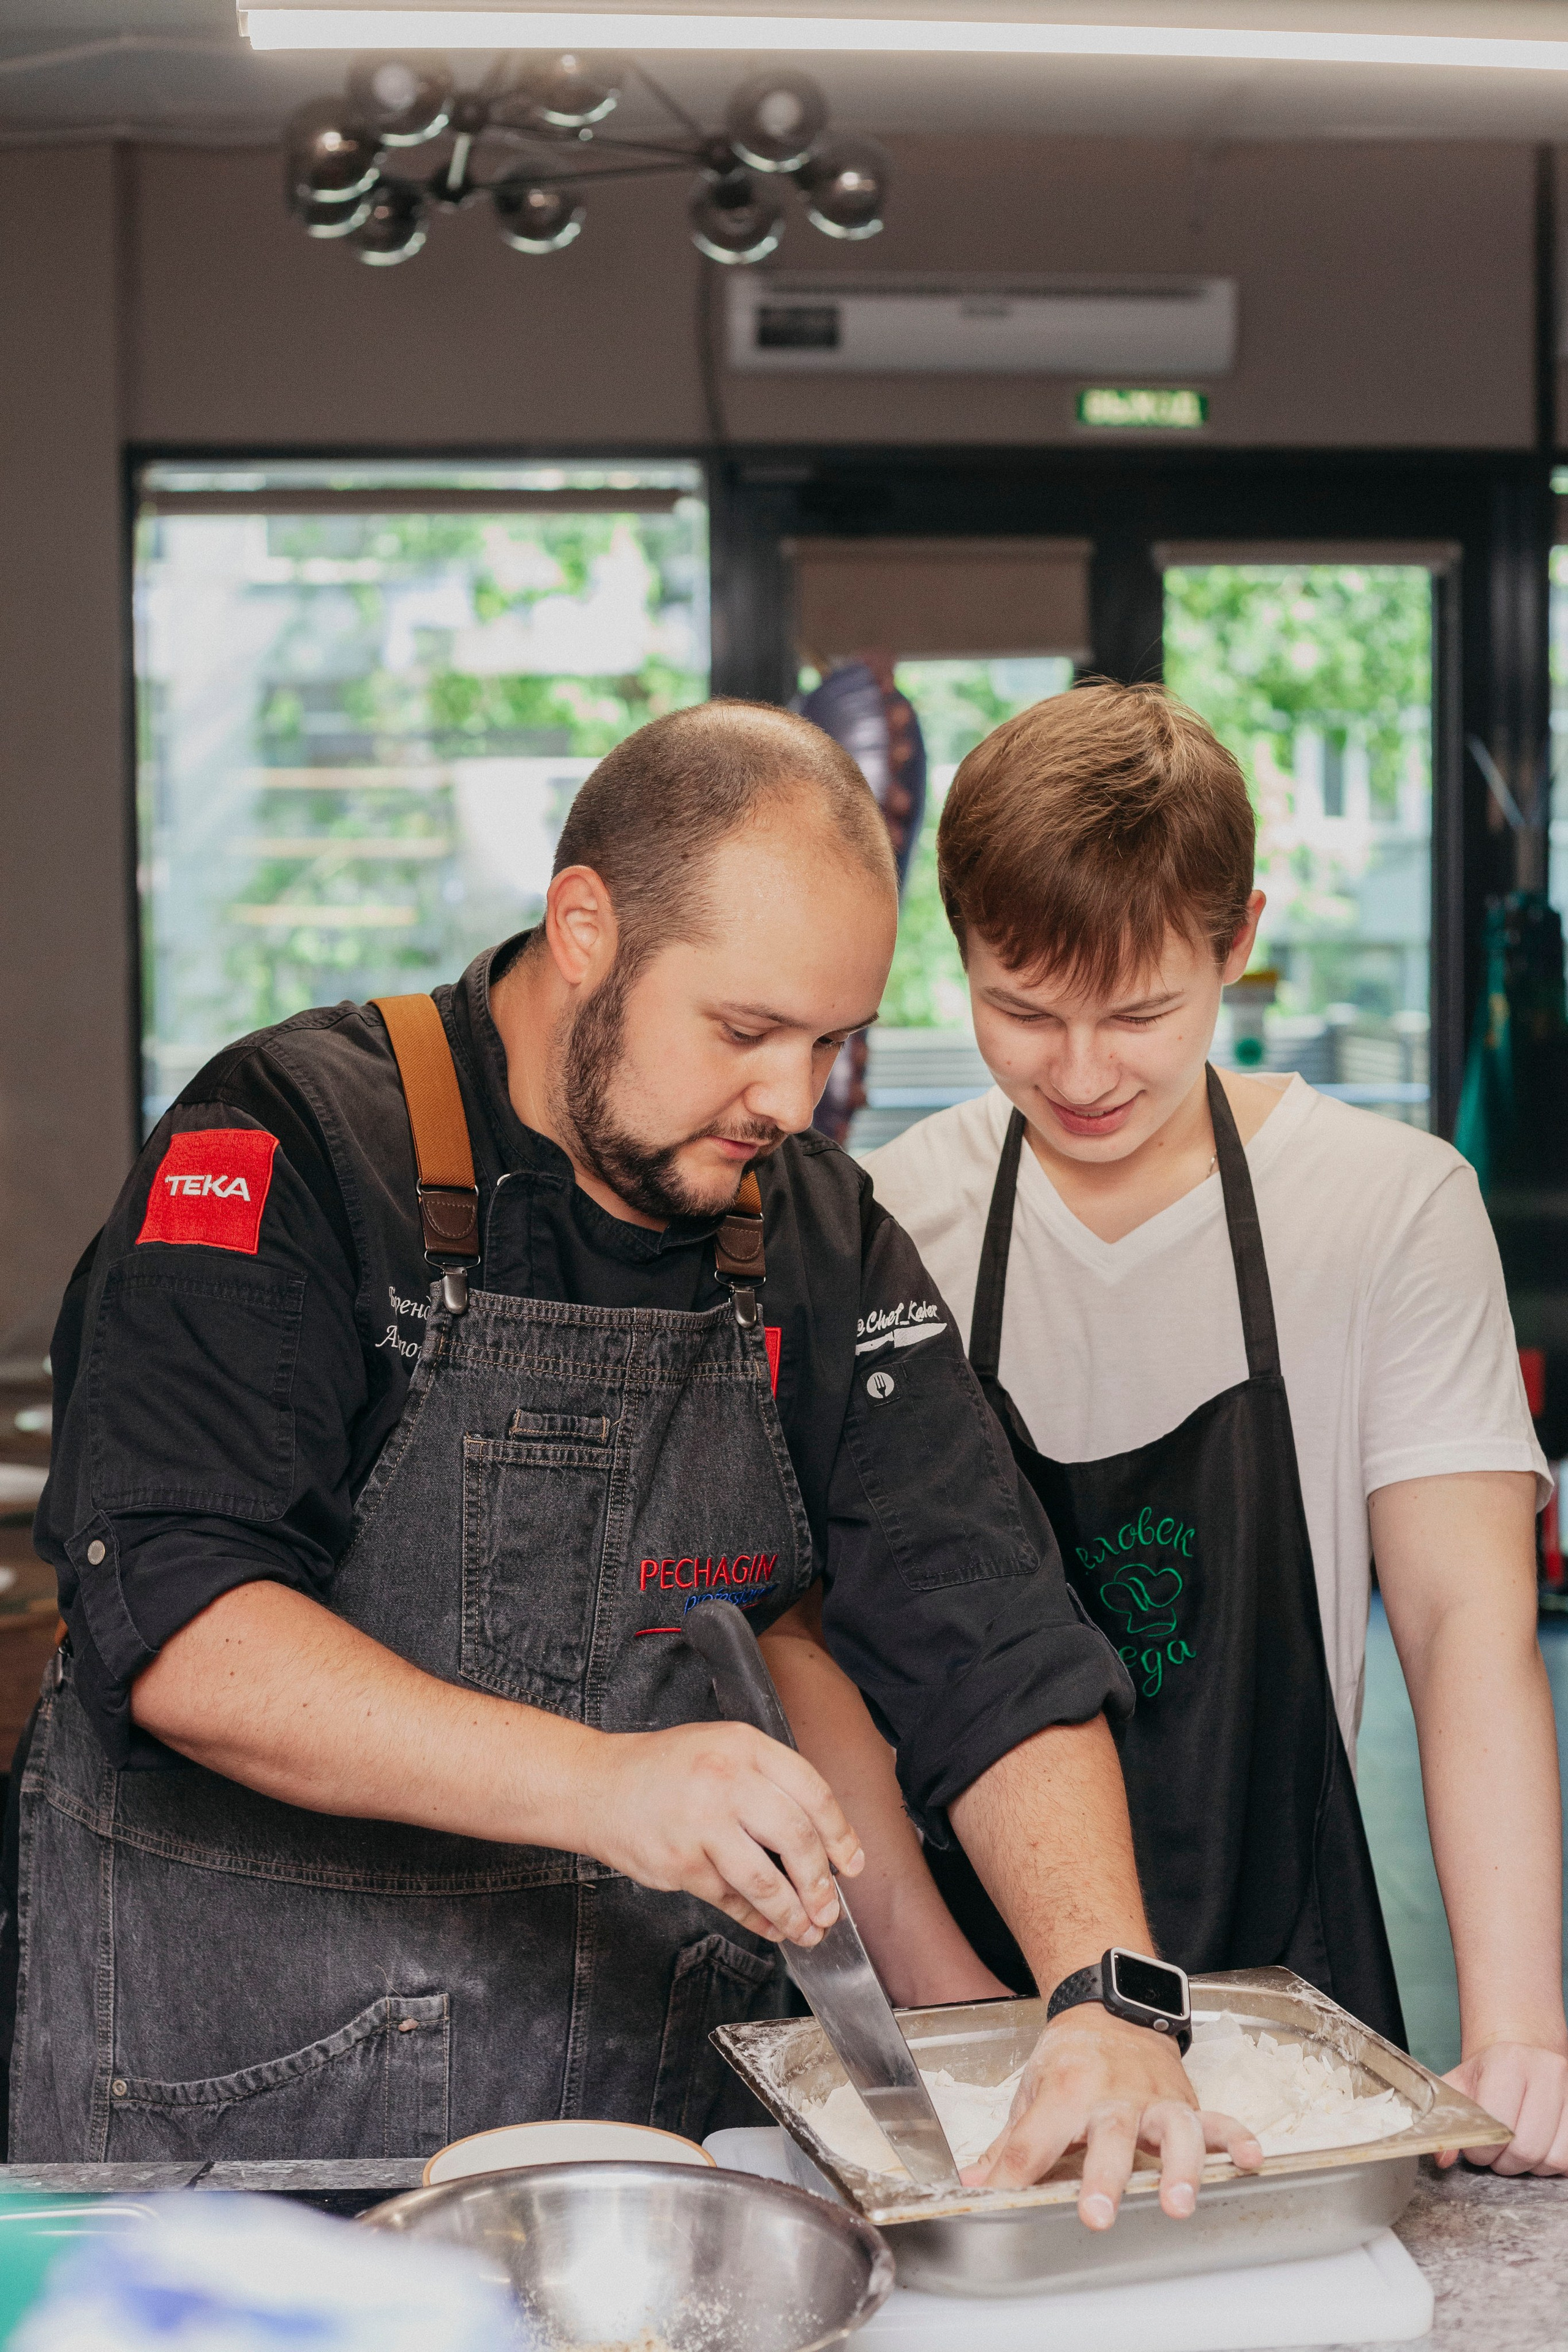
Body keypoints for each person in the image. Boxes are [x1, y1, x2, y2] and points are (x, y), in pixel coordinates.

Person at [14, 699, 1261, 2219]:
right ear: (584, 925)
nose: (792, 1103)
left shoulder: (808, 1226)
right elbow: (188, 1632)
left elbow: (986, 1629)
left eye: (829, 1044)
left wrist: (1106, 1995)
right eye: (743, 1032)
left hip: (650, 2166)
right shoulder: (284, 1146)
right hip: (246, 2141)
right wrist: (608, 1788)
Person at [862, 680, 1568, 2177]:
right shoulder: (895, 1215)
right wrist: (952, 2004)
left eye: (1137, 1013)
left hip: (1288, 1974)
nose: (1078, 1073)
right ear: (960, 948)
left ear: (1235, 942)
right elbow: (836, 1636)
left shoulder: (1386, 1206)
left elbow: (1462, 1630)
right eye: (1019, 1009)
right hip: (979, 1992)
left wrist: (1519, 2025)